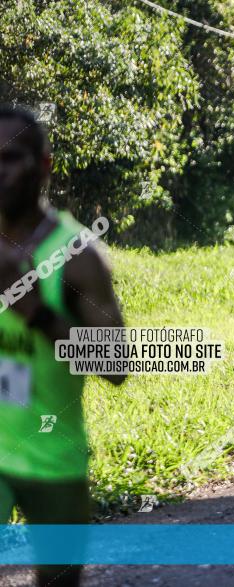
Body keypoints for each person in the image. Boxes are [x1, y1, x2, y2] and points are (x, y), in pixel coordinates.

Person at [0, 105, 126, 586]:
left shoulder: (77, 259)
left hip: (53, 457)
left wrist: (38, 312)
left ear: (45, 165)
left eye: (11, 159)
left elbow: (115, 365)